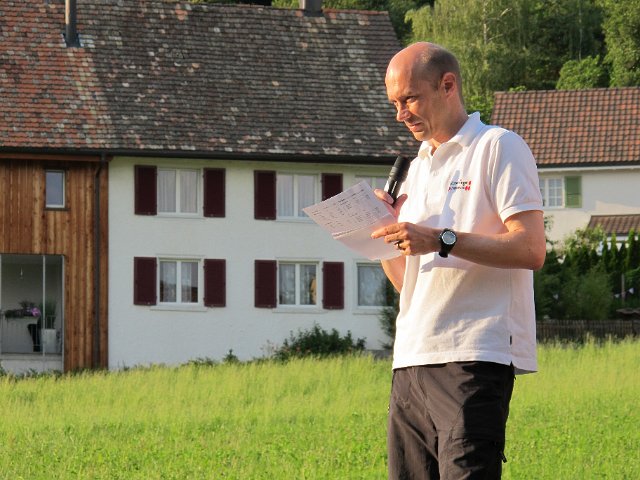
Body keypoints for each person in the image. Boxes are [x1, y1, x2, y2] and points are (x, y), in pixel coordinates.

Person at [370, 42, 546, 479]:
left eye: (410, 99)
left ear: (448, 85)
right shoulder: (415, 169)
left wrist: (440, 239)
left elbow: (531, 249)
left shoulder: (498, 147)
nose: (400, 114)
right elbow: (409, 284)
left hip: (473, 356)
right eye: (394, 104)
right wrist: (382, 235)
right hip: (410, 359)